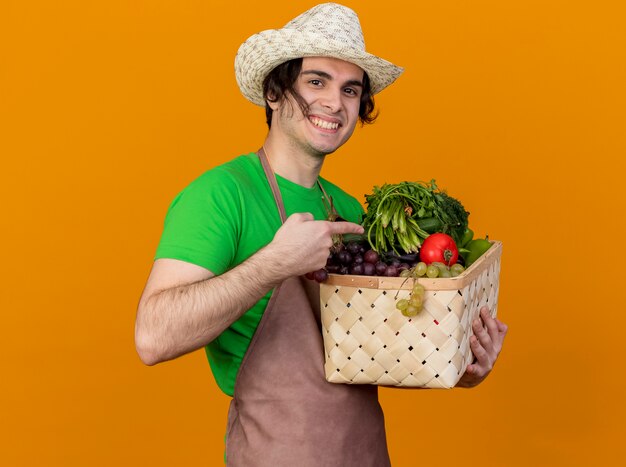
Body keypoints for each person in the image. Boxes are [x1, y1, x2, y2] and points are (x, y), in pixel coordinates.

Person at [135, 3, 508, 466]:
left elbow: (374, 350)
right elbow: (153, 337)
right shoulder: (221, 194)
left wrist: (460, 364)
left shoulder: (348, 211)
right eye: (317, 81)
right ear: (274, 92)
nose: (335, 102)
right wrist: (273, 264)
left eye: (350, 90)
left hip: (364, 453)